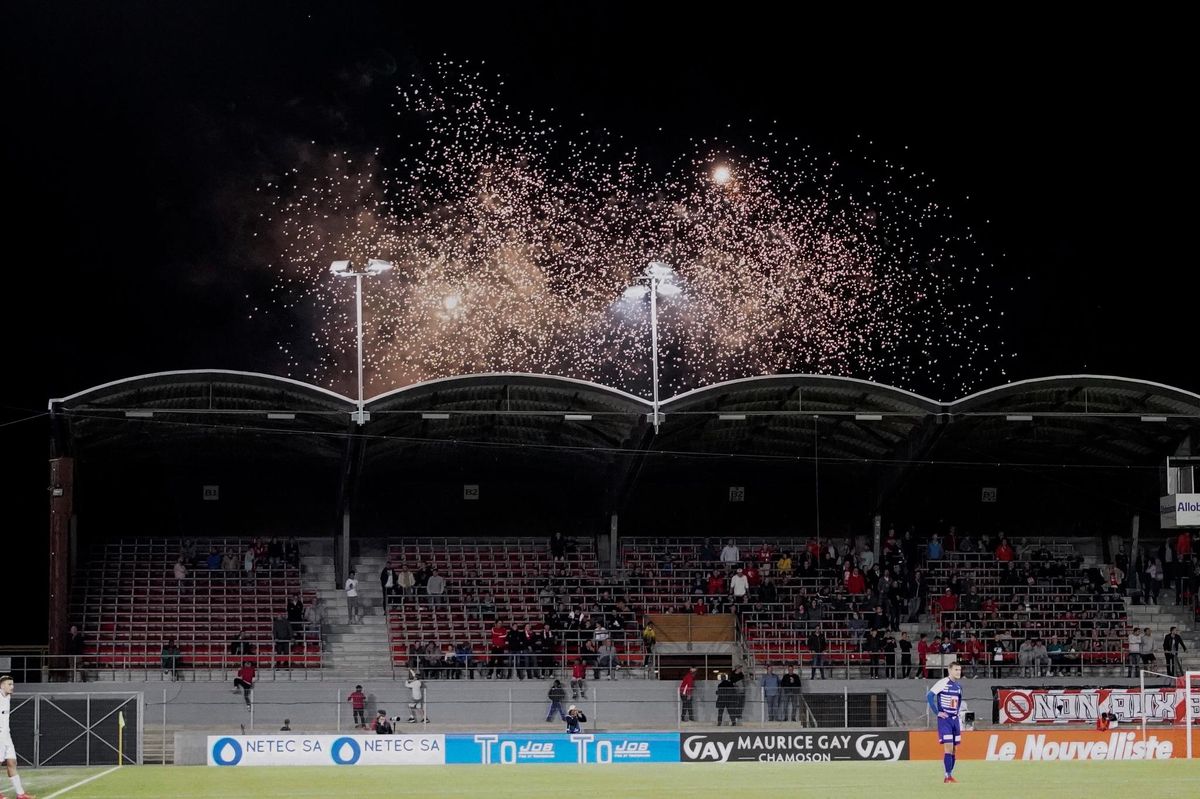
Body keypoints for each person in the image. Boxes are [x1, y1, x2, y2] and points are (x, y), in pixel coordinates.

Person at [927, 661, 964, 784]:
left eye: (959, 670)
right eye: (956, 670)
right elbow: (929, 696)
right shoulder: (942, 683)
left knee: (954, 750)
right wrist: (937, 712)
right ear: (950, 670)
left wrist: (957, 714)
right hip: (945, 720)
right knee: (948, 747)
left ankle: (950, 775)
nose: (958, 672)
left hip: (955, 720)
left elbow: (958, 703)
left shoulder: (958, 687)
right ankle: (947, 776)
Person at [0, 675, 33, 799]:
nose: (12, 687)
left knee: (12, 762)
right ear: (2, 685)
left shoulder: (7, 696)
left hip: (6, 735)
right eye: (9, 684)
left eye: (12, 684)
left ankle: (20, 794)